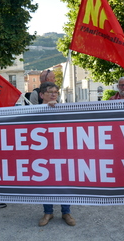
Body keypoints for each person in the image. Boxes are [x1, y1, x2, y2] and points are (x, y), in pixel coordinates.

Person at [37, 82, 76, 227]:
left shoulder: (64, 109)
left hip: (62, 151)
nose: (54, 94)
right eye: (50, 92)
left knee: (64, 180)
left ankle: (66, 212)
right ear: (41, 95)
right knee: (46, 181)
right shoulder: (34, 111)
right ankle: (48, 212)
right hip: (43, 152)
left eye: (56, 92)